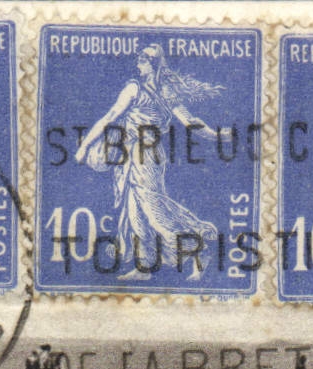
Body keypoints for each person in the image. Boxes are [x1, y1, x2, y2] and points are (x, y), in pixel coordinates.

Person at [77, 45, 226, 281]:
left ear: (152, 64)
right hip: (130, 154)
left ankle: (199, 251)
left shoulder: (160, 92)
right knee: (135, 213)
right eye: (139, 59)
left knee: (154, 211)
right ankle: (144, 266)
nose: (139, 63)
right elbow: (110, 117)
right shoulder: (134, 88)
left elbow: (190, 122)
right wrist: (86, 145)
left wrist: (217, 136)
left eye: (143, 59)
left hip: (147, 155)